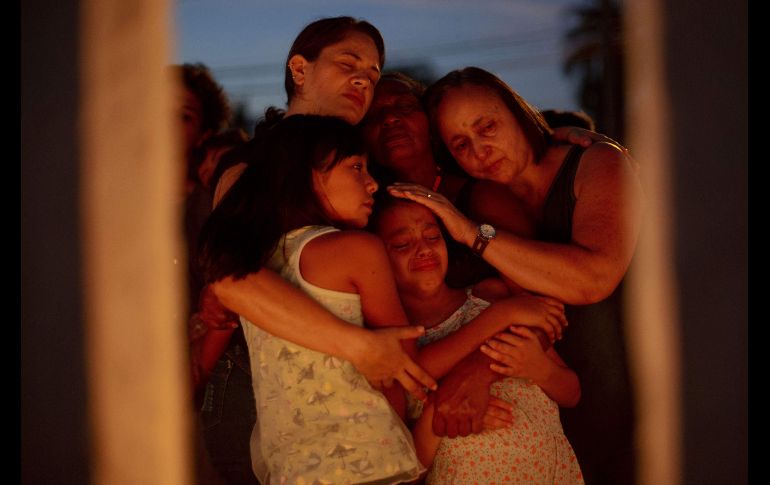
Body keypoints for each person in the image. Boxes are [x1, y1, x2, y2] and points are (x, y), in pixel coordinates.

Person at [388, 67, 644, 484]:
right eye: (461, 144)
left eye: (487, 126)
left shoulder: (595, 162)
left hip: (623, 383)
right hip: (543, 405)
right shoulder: (475, 198)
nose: (480, 150)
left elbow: (593, 278)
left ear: (516, 109)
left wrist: (470, 233)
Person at [199, 115, 426, 484]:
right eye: (356, 167)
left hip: (294, 470)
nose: (372, 184)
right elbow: (402, 366)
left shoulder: (253, 263)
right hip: (370, 459)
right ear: (306, 174)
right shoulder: (358, 250)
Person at [371, 197, 583, 484]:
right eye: (402, 245)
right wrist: (444, 421)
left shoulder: (490, 295)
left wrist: (539, 368)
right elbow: (405, 471)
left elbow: (572, 392)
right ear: (377, 260)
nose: (423, 249)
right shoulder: (394, 346)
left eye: (433, 236)